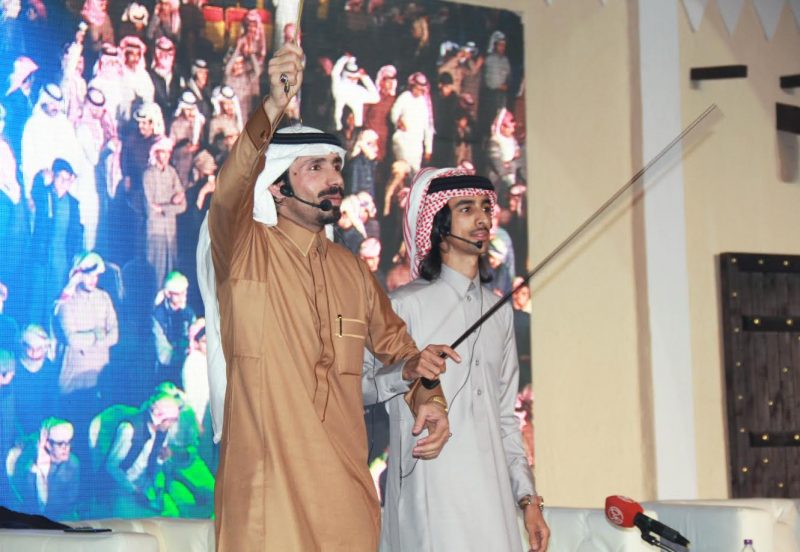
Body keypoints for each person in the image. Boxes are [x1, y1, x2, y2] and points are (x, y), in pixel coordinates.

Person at [198, 42, 456, 551]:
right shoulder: (244, 252)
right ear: (276, 186)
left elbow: (402, 351)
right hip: (265, 492)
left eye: (336, 167)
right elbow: (229, 191)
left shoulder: (351, 270)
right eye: (316, 167)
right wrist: (272, 108)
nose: (336, 179)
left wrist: (429, 397)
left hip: (344, 493)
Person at [367, 167, 549, 551]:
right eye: (466, 209)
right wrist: (406, 370)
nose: (482, 218)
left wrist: (528, 500)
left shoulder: (500, 312)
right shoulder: (402, 305)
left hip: (493, 502)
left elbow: (505, 418)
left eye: (486, 207)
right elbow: (358, 389)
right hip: (430, 494)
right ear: (437, 225)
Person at [7, 417, 81, 520]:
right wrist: (40, 472)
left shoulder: (72, 464)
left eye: (69, 442)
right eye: (60, 444)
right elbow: (27, 501)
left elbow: (68, 503)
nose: (66, 448)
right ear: (48, 444)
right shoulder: (29, 463)